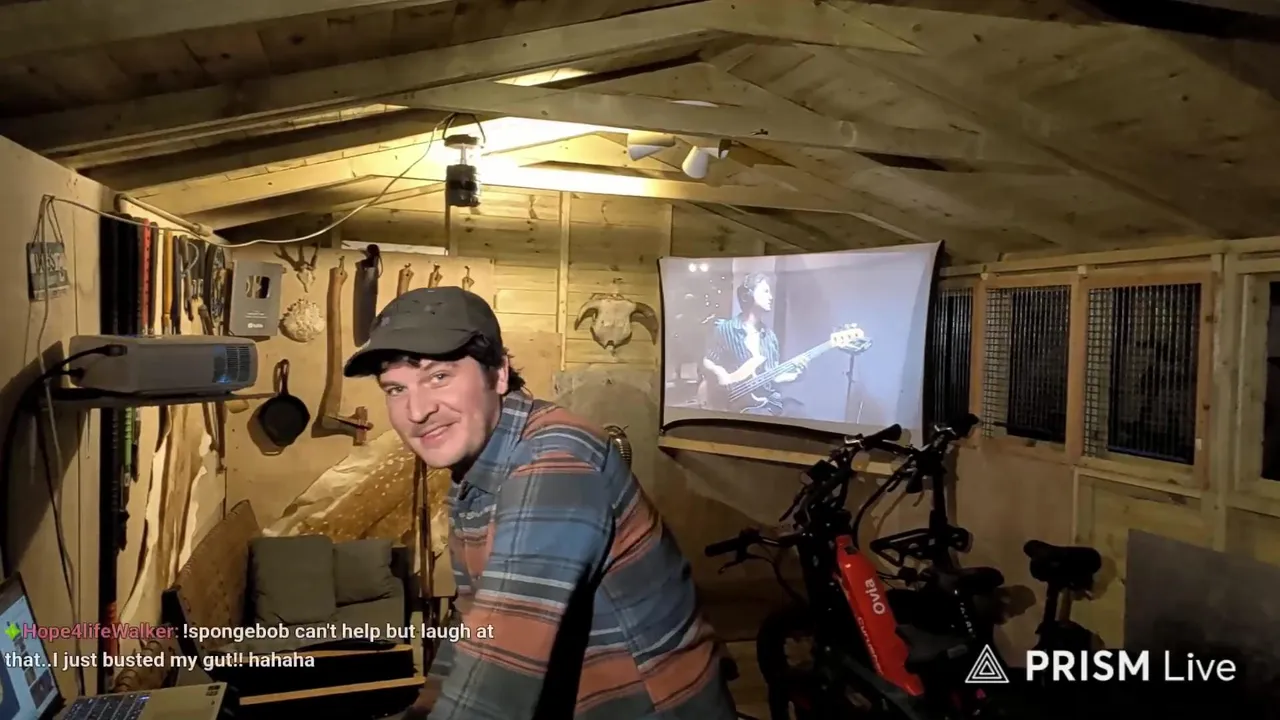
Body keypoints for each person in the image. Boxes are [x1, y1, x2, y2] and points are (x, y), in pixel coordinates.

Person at [343, 287, 738, 720]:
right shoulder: (475, 469)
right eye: (395, 388)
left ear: (498, 374)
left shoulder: (554, 461)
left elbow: (495, 678)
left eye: (439, 377)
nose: (417, 412)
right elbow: (476, 622)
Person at [700, 273, 807, 416]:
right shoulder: (726, 329)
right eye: (765, 291)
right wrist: (721, 374)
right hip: (734, 405)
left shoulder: (770, 337)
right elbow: (708, 361)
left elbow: (772, 376)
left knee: (799, 410)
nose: (771, 297)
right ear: (747, 295)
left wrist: (794, 376)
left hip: (767, 402)